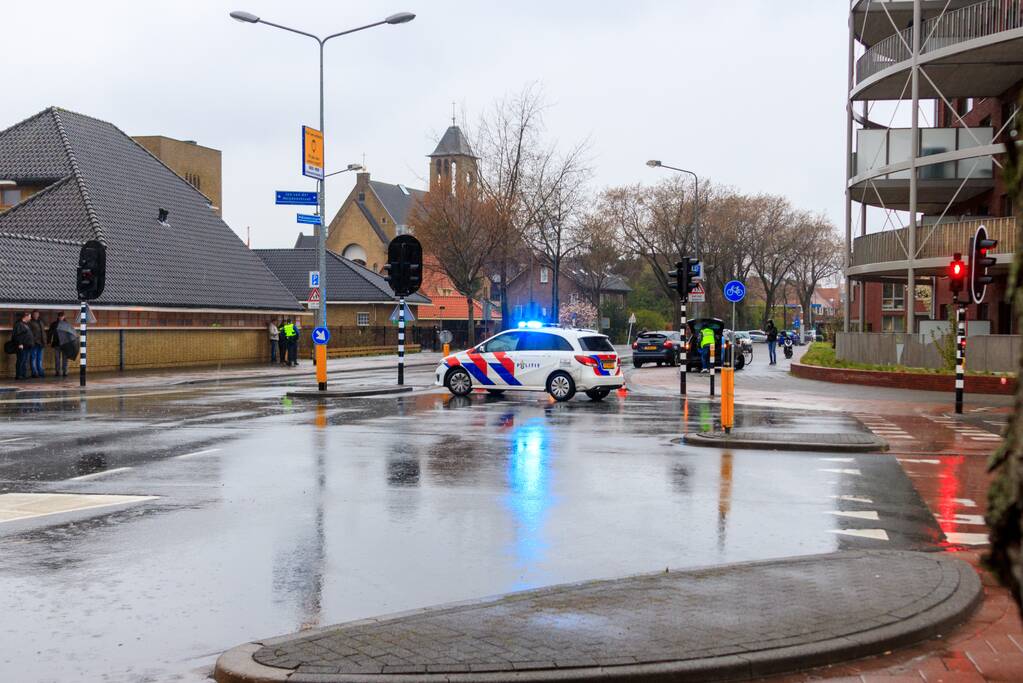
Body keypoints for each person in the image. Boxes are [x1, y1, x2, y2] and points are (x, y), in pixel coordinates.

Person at [47, 311, 69, 378]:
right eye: (60, 316)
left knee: (65, 359)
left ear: (64, 317)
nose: (61, 318)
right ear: (58, 317)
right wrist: (49, 341)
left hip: (65, 344)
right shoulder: (54, 324)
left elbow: (69, 334)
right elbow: (50, 333)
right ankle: (57, 371)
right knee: (57, 358)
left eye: (62, 316)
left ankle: (65, 371)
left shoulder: (67, 324)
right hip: (56, 343)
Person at [12, 312, 33, 380]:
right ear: (25, 316)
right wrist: (20, 344)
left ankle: (24, 374)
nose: (30, 318)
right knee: (21, 360)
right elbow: (17, 335)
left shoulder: (25, 324)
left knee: (25, 360)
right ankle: (18, 375)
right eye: (29, 317)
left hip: (27, 346)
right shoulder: (19, 324)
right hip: (22, 346)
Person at [28, 310, 45, 378]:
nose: (36, 315)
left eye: (37, 314)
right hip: (34, 343)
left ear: (38, 315)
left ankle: (40, 372)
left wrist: (44, 341)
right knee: (33, 358)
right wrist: (32, 341)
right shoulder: (30, 322)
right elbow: (29, 334)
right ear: (32, 315)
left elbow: (43, 332)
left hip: (41, 343)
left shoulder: (41, 322)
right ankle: (34, 373)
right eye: (34, 314)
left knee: (40, 358)